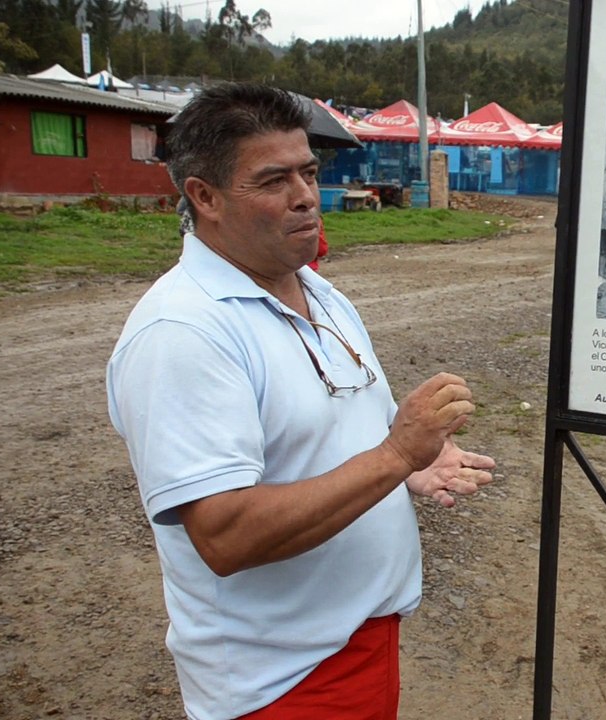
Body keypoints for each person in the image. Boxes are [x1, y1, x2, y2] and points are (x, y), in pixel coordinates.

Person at [106, 83, 496, 720]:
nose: (306, 197)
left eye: (309, 172)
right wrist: (397, 455)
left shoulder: (318, 291)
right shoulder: (182, 333)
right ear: (203, 196)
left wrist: (414, 464)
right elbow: (225, 536)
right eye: (272, 181)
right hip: (278, 682)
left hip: (360, 642)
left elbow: (338, 429)